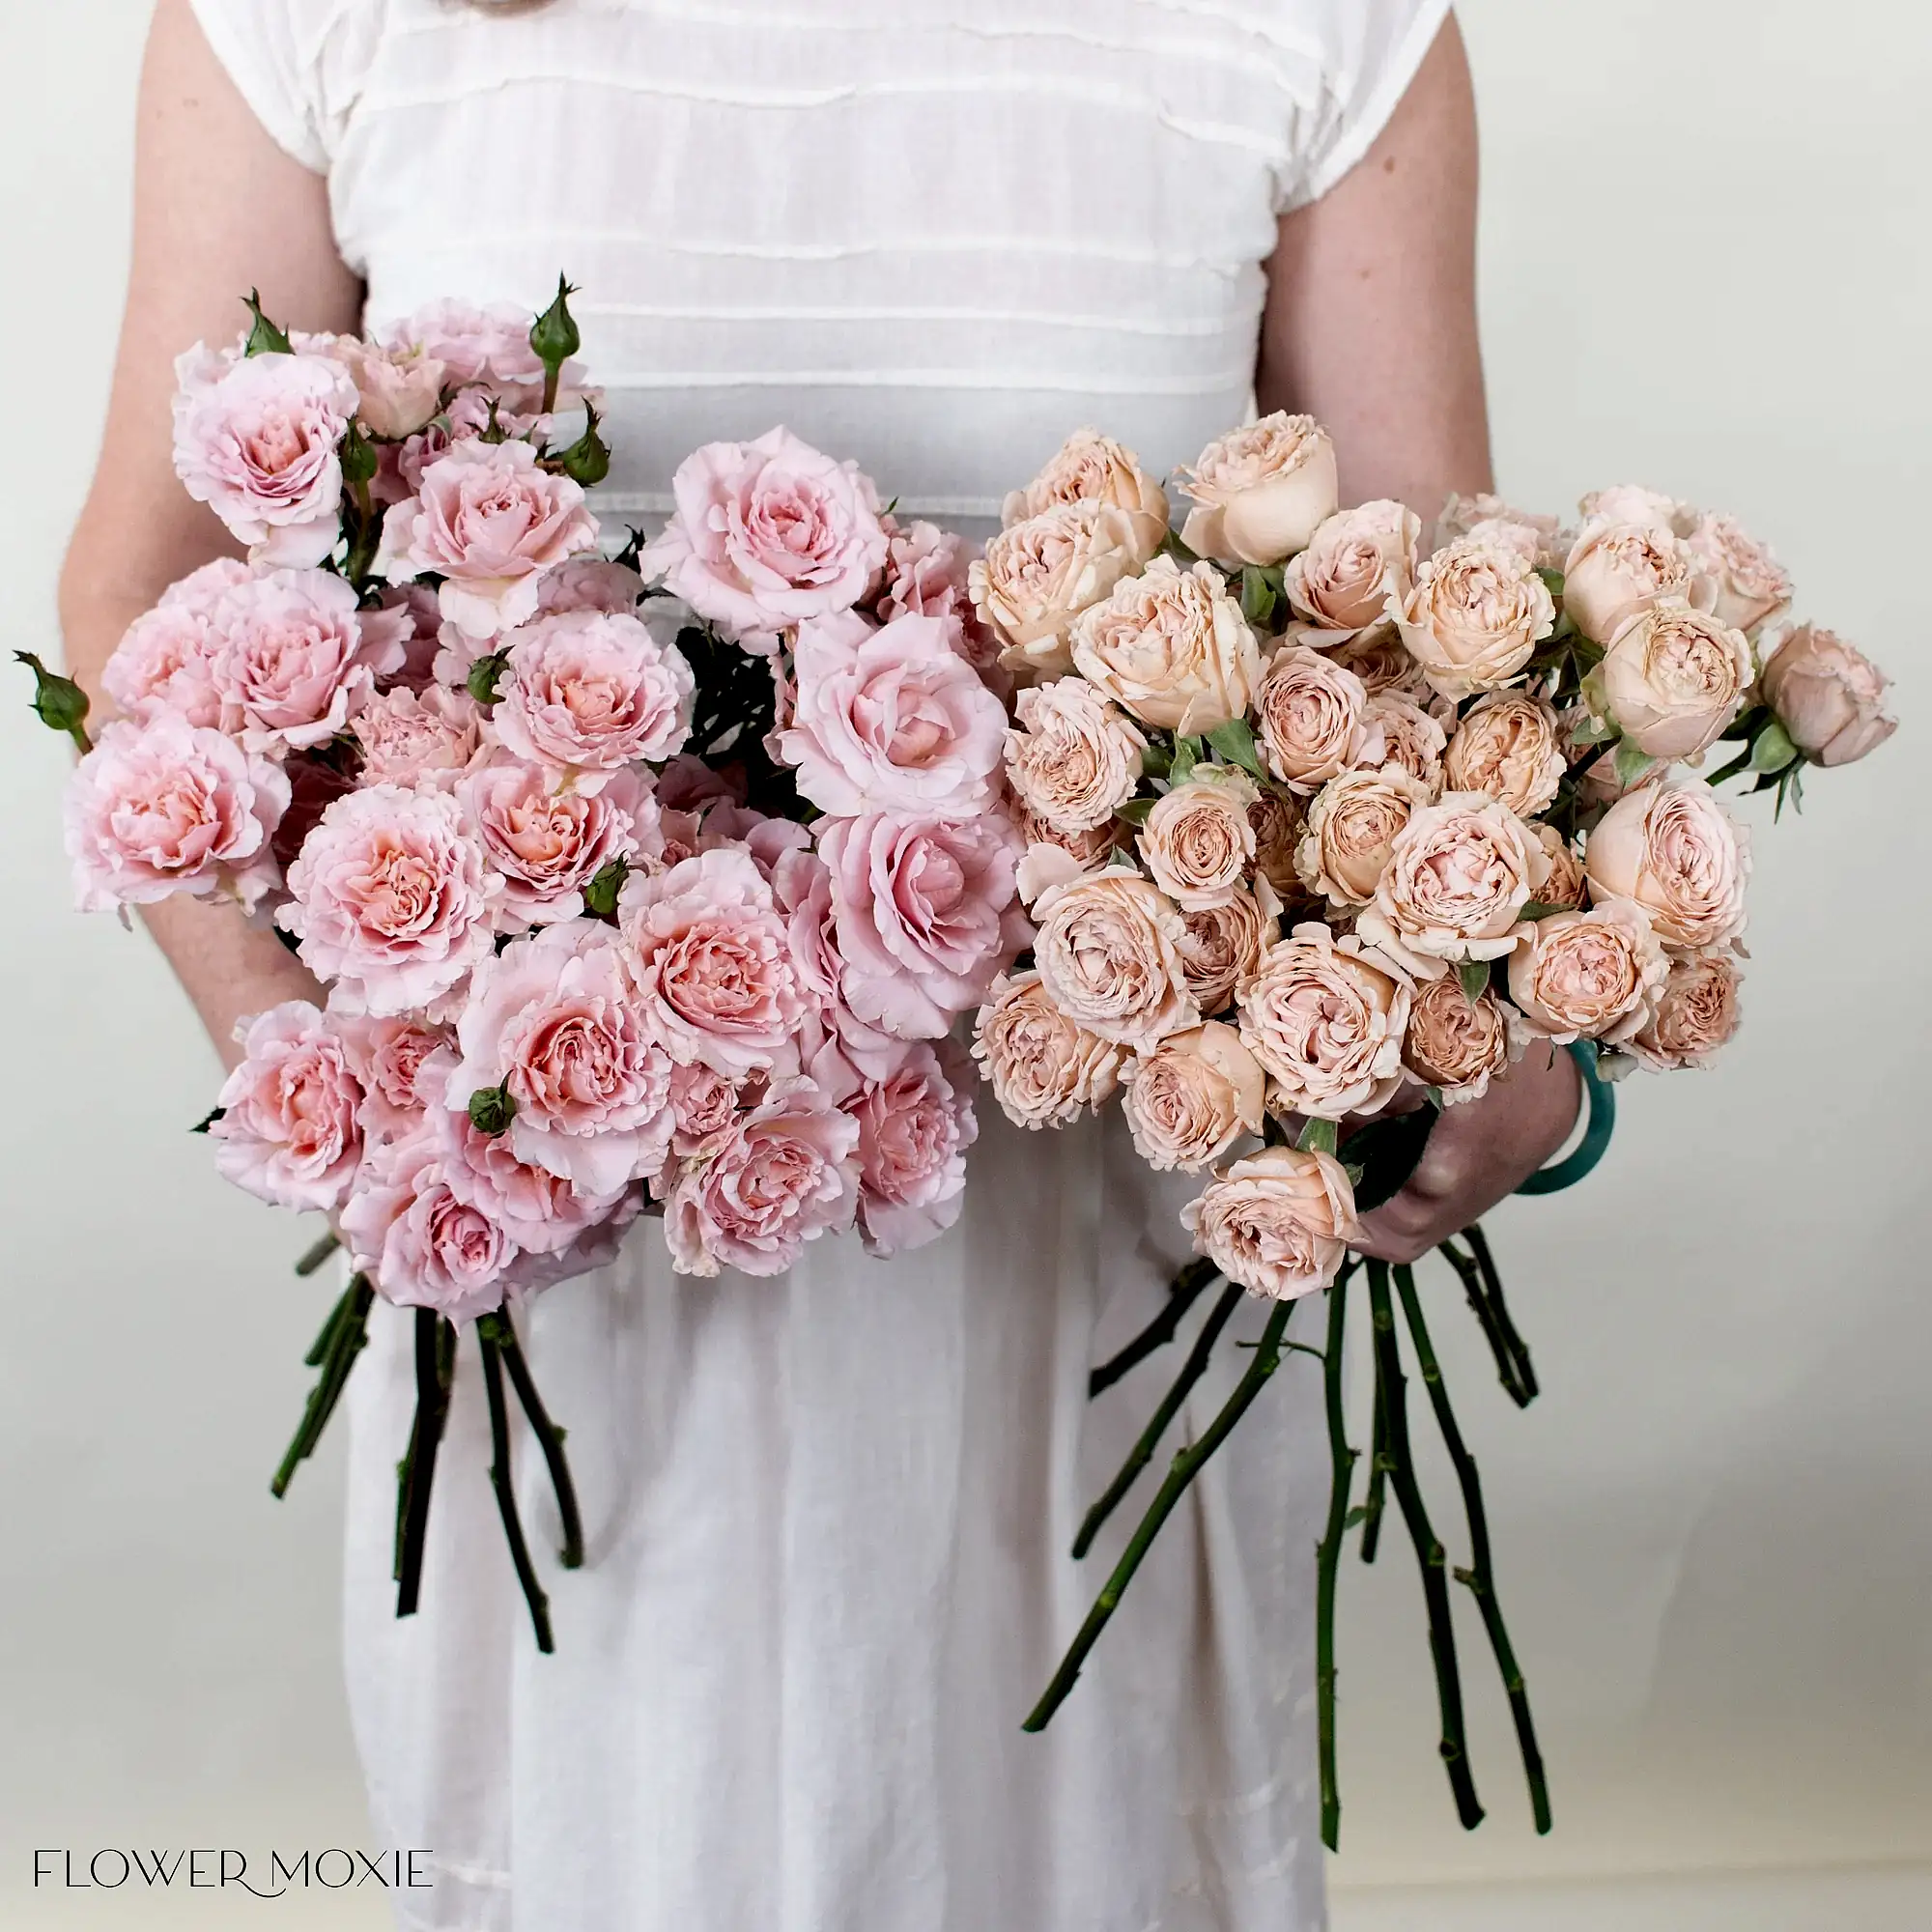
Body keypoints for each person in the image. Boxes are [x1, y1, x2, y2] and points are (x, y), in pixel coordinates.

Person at [61, 3, 1580, 1926]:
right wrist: (341, 1079)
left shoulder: (1323, 23)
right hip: (583, 1235)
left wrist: (1501, 986)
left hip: (1093, 1224)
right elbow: (147, 589)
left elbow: (1420, 611)